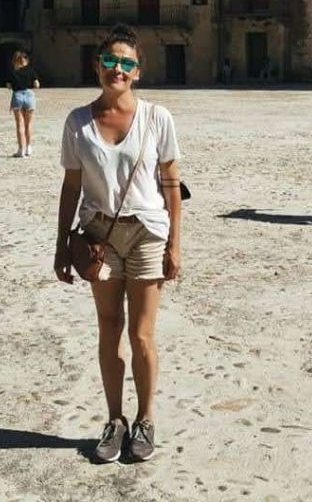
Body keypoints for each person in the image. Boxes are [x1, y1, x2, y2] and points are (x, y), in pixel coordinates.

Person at [54, 24, 183, 464]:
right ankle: (115, 419)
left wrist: (175, 244)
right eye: (110, 61)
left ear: (138, 71)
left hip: (147, 233)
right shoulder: (78, 122)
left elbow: (171, 184)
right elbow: (72, 186)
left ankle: (145, 419)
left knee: (142, 334)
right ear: (97, 66)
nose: (118, 69)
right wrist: (61, 244)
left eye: (127, 63)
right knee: (109, 328)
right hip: (98, 237)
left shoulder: (157, 118)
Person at [5, 50, 40, 157]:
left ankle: (21, 149)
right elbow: (37, 84)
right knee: (28, 124)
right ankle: (29, 148)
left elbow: (8, 86)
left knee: (20, 124)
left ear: (14, 61)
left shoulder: (12, 72)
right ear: (26, 61)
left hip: (17, 95)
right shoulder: (31, 71)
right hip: (29, 95)